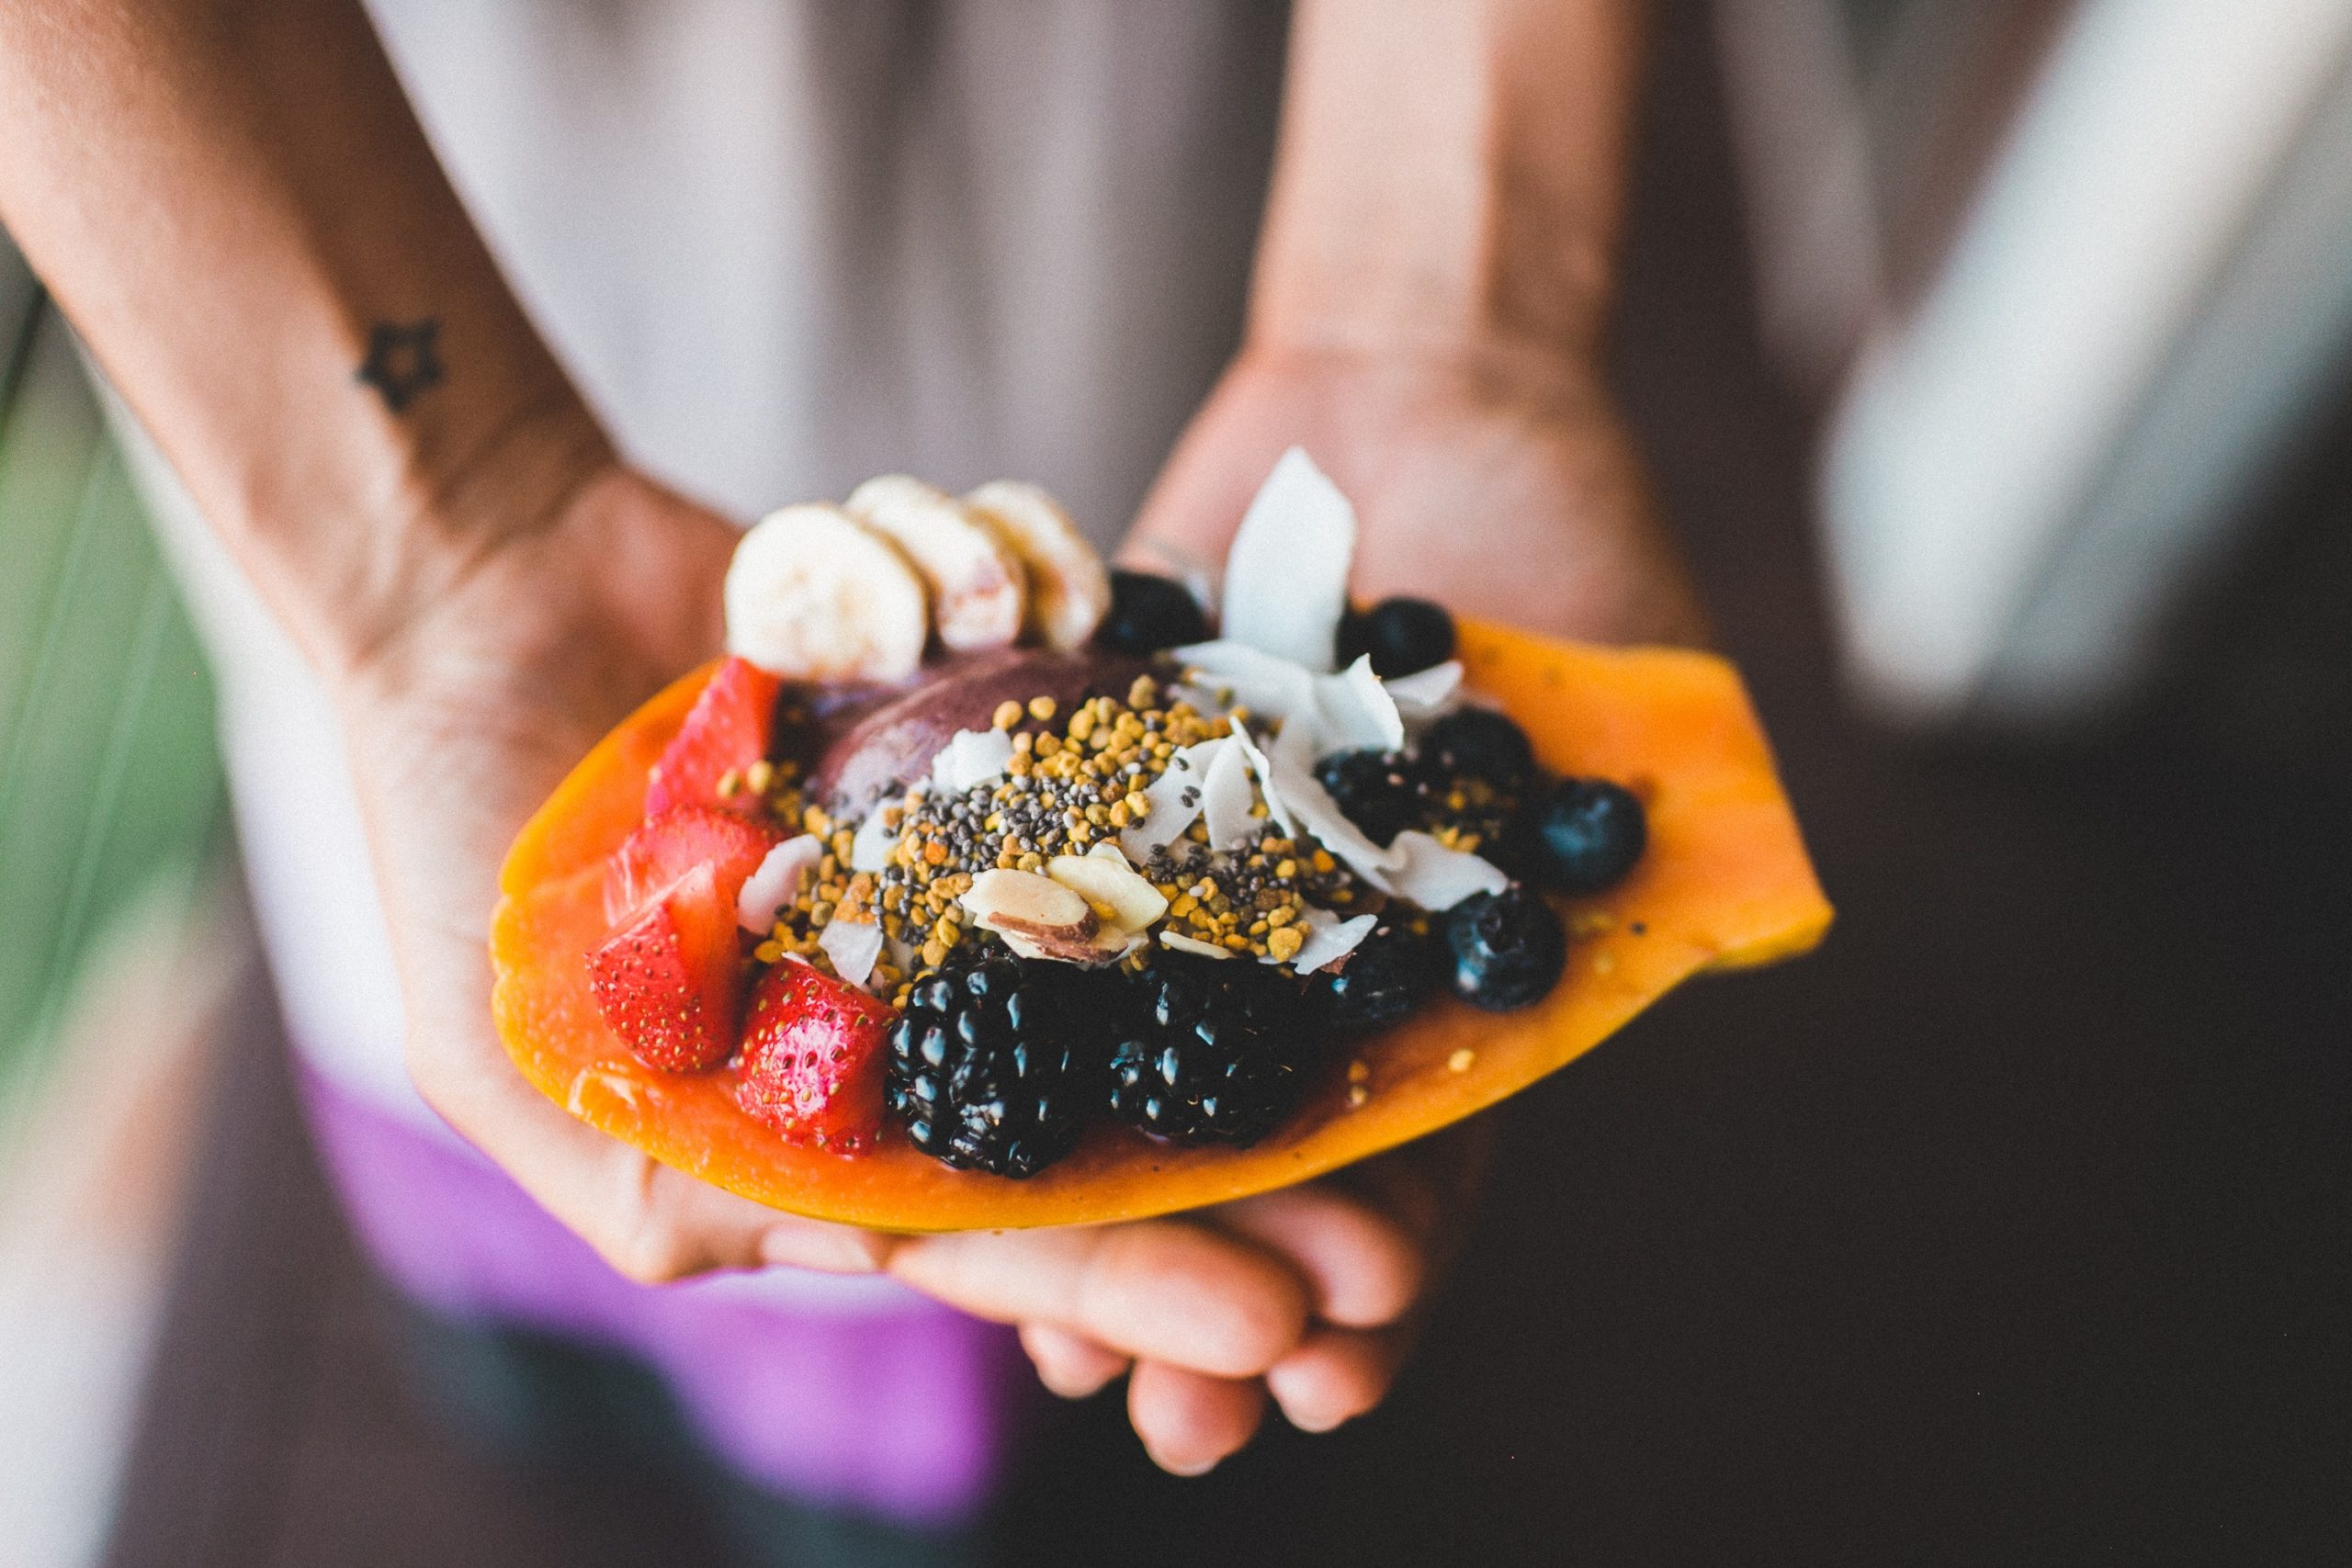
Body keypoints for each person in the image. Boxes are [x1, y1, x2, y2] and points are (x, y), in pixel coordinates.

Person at [0, 0, 1702, 1544]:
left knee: (993, 1456)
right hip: (319, 282)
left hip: (1123, 218)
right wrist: (432, 550)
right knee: (529, 1284)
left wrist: (1441, 326)